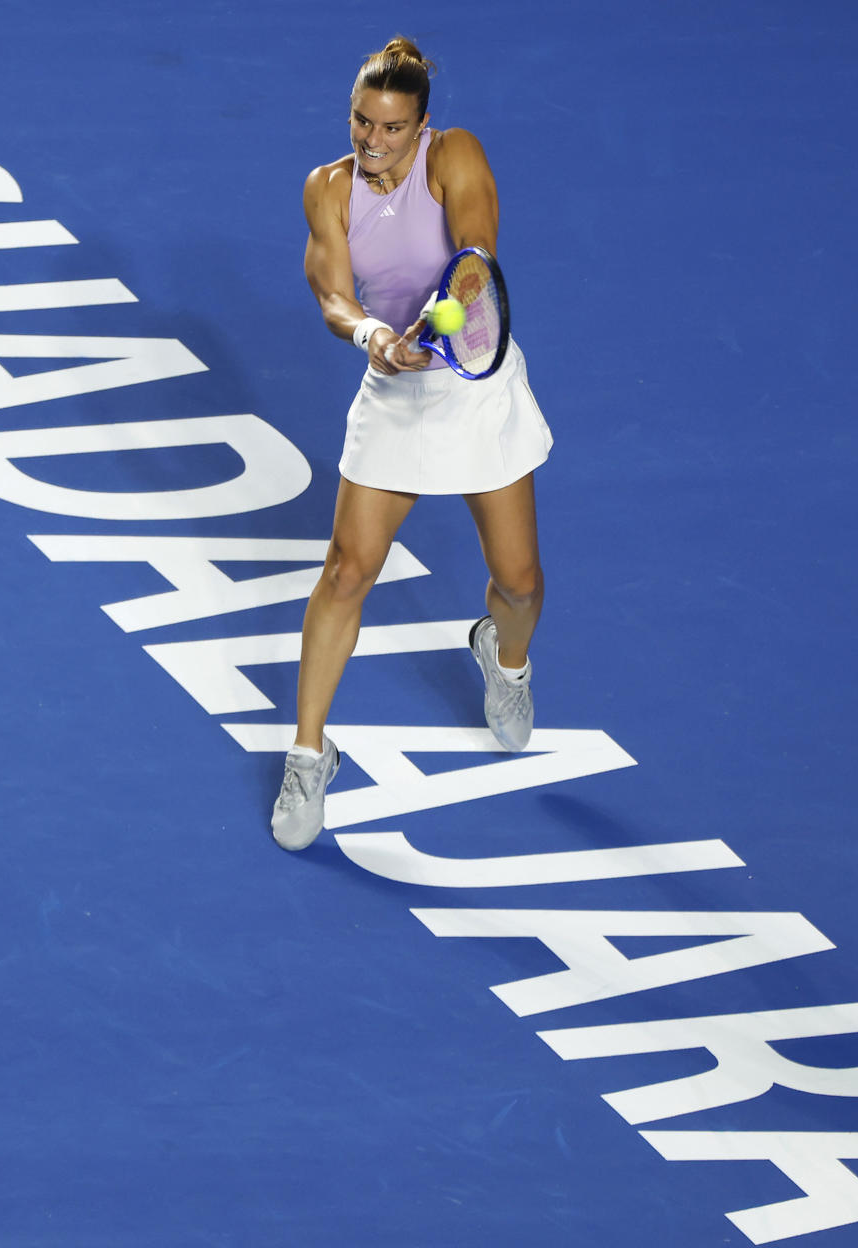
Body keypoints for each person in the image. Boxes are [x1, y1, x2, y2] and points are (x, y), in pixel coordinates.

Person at [271, 35, 554, 851]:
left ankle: (503, 660)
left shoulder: (455, 155)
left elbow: (475, 258)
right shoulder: (327, 188)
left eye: (392, 128)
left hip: (472, 382)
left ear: (421, 124)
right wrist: (372, 337)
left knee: (521, 583)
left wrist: (434, 330)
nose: (372, 141)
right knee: (345, 570)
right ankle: (308, 752)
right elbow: (330, 290)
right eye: (362, 122)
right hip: (393, 390)